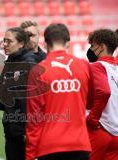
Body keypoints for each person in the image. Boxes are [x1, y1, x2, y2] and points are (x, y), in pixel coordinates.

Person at [25, 23, 92, 160]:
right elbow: (90, 102)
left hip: (50, 146)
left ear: (46, 43)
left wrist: (30, 155)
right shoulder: (84, 66)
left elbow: (33, 117)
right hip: (80, 144)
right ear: (68, 43)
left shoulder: (38, 71)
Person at [0, 27, 39, 160]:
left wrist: (28, 130)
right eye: (4, 41)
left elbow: (32, 100)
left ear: (21, 43)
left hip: (23, 133)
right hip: (12, 131)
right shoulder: (11, 61)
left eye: (9, 41)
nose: (5, 44)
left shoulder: (28, 63)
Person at [86, 29, 118, 160]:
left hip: (100, 130)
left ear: (102, 46)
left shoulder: (97, 66)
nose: (90, 49)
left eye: (92, 46)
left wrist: (92, 120)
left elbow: (104, 92)